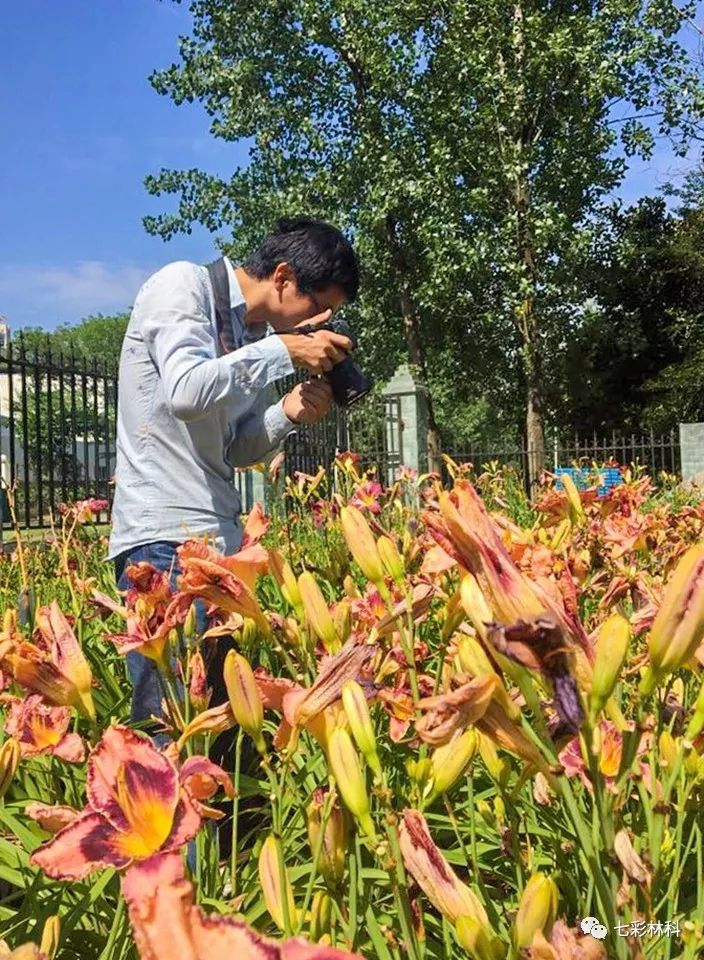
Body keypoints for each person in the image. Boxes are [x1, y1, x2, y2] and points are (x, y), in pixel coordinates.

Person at [108, 216, 360, 730]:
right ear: (284, 277)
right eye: (318, 309)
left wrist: (287, 412)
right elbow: (185, 391)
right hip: (161, 541)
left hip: (220, 542)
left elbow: (237, 448)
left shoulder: (255, 335)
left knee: (217, 729)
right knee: (171, 725)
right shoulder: (183, 285)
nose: (318, 325)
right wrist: (282, 351)